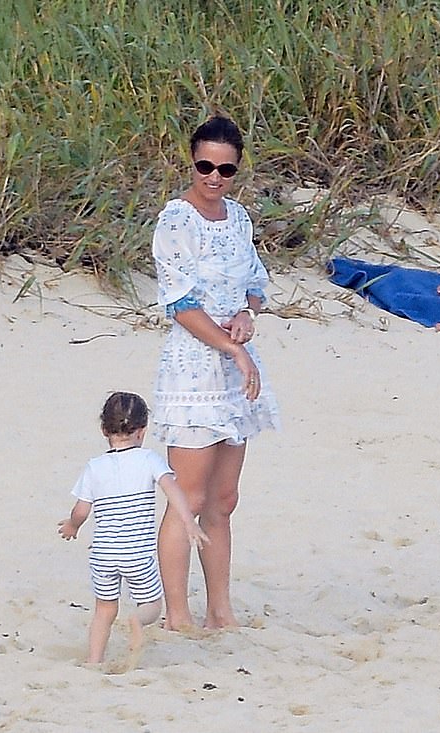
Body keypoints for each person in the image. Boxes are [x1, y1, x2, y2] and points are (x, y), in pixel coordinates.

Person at [152, 114, 280, 631]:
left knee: (224, 500)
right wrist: (234, 349)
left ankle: (219, 610)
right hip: (194, 369)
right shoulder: (175, 221)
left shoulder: (240, 219)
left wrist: (248, 315)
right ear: (192, 161)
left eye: (224, 170)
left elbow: (254, 281)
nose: (213, 178)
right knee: (189, 497)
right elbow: (180, 304)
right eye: (205, 166)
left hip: (234, 371)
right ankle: (176, 614)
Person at [58, 391, 209, 663]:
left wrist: (72, 526)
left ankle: (94, 659)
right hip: (136, 554)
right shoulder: (149, 460)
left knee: (104, 609)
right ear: (142, 431)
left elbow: (81, 510)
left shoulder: (95, 467)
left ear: (105, 429)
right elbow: (173, 492)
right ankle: (138, 621)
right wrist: (188, 522)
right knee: (152, 604)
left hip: (103, 554)